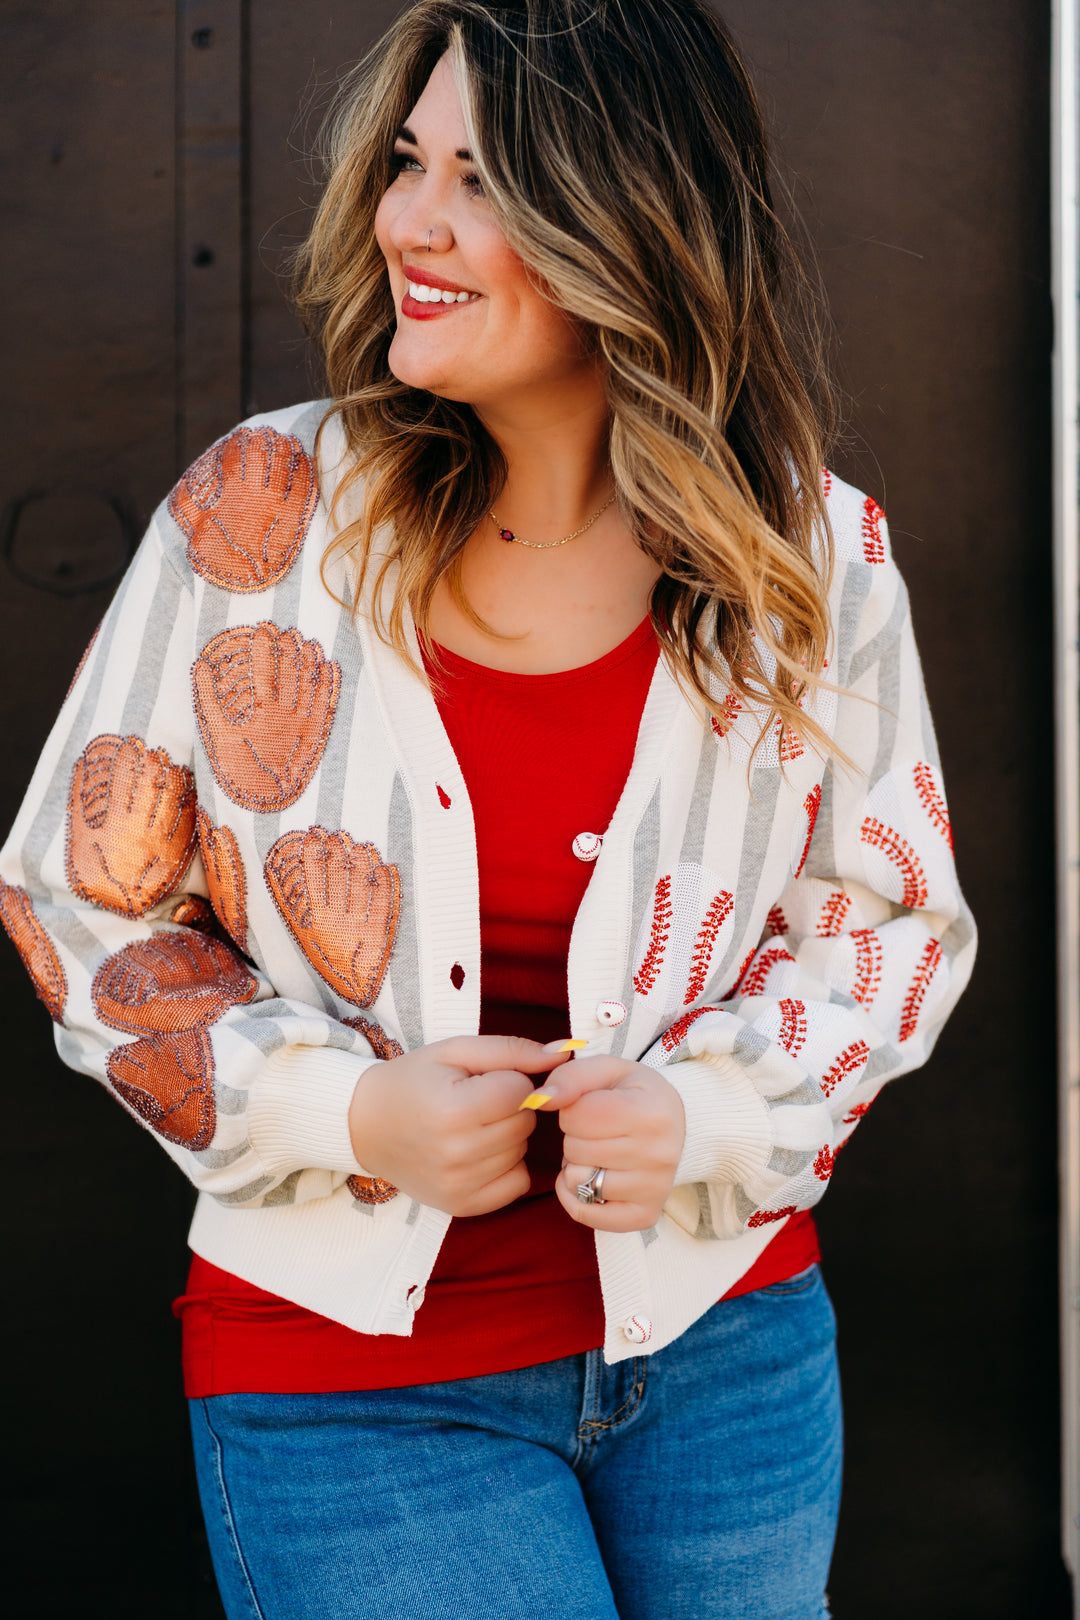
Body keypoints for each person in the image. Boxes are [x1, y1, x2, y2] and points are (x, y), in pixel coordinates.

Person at [0, 2, 975, 1616]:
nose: (411, 221)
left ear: (632, 220)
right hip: (354, 1392)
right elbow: (78, 905)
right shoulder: (264, 518)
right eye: (407, 163)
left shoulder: (810, 555)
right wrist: (350, 1118)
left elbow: (886, 925)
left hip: (729, 1354)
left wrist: (712, 1121)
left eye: (482, 179)